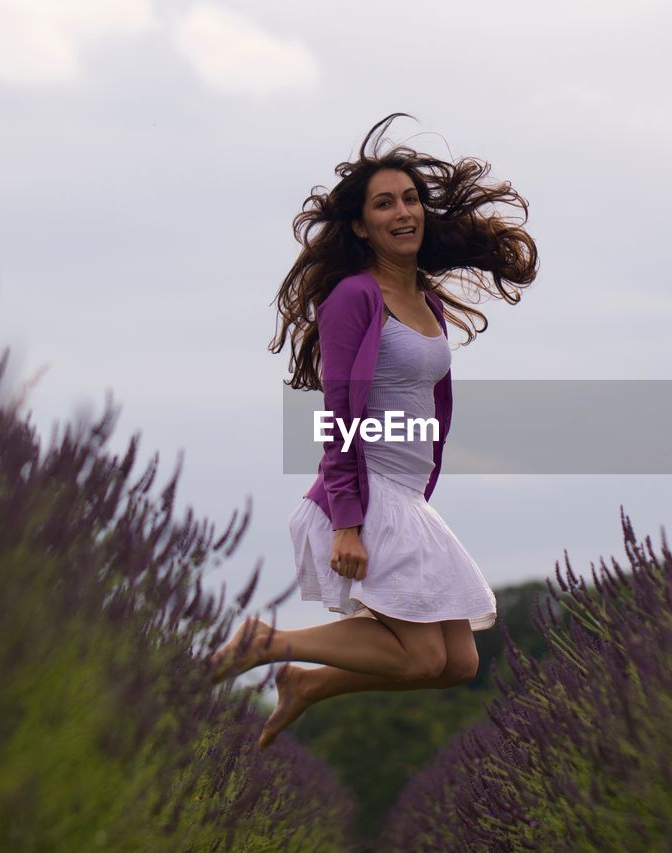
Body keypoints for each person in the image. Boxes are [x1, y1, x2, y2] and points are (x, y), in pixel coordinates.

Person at [207, 113, 538, 750]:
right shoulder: (354, 298)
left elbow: (428, 406)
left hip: (406, 499)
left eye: (410, 199)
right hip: (366, 492)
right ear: (362, 225)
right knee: (418, 659)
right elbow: (338, 413)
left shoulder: (428, 301)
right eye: (384, 204)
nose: (403, 212)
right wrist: (348, 521)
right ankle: (268, 644)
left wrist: (415, 498)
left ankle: (308, 683)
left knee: (459, 663)